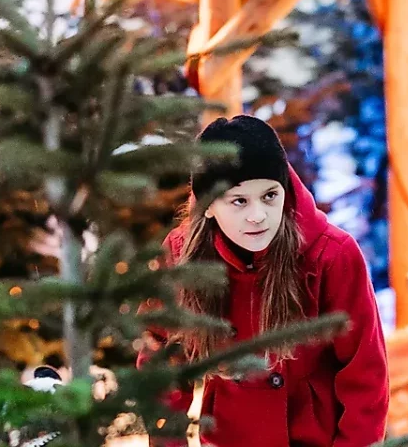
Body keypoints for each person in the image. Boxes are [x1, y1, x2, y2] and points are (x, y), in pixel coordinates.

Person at [148, 115, 388, 447]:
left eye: (270, 196)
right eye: (239, 201)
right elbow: (163, 363)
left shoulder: (332, 255)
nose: (258, 215)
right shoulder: (180, 256)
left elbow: (365, 374)